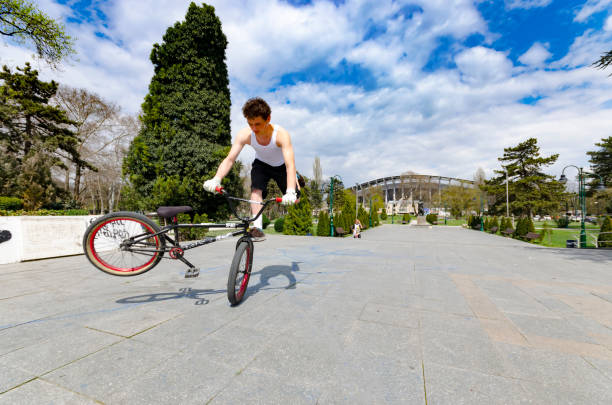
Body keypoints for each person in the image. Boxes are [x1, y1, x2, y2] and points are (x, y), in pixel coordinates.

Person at [203, 97, 299, 241]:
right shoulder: (245, 134)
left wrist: (290, 192)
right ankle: (258, 228)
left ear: (268, 119)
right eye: (250, 124)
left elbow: (290, 165)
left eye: (258, 124)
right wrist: (216, 179)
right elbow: (230, 159)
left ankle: (297, 181)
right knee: (255, 190)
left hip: (282, 167)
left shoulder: (281, 135)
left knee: (295, 200)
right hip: (261, 164)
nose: (254, 128)